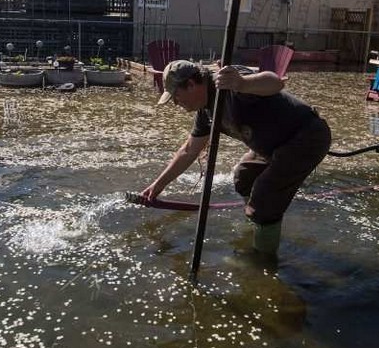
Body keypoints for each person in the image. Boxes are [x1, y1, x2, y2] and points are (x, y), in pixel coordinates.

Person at [140, 59, 331, 254]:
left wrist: (242, 83)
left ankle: (261, 260)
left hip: (306, 137)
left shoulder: (228, 82)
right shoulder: (206, 113)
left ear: (190, 85)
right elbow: (189, 150)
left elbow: (275, 82)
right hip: (272, 146)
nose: (176, 103)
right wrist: (157, 186)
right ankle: (259, 223)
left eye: (176, 96)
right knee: (243, 176)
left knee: (265, 195)